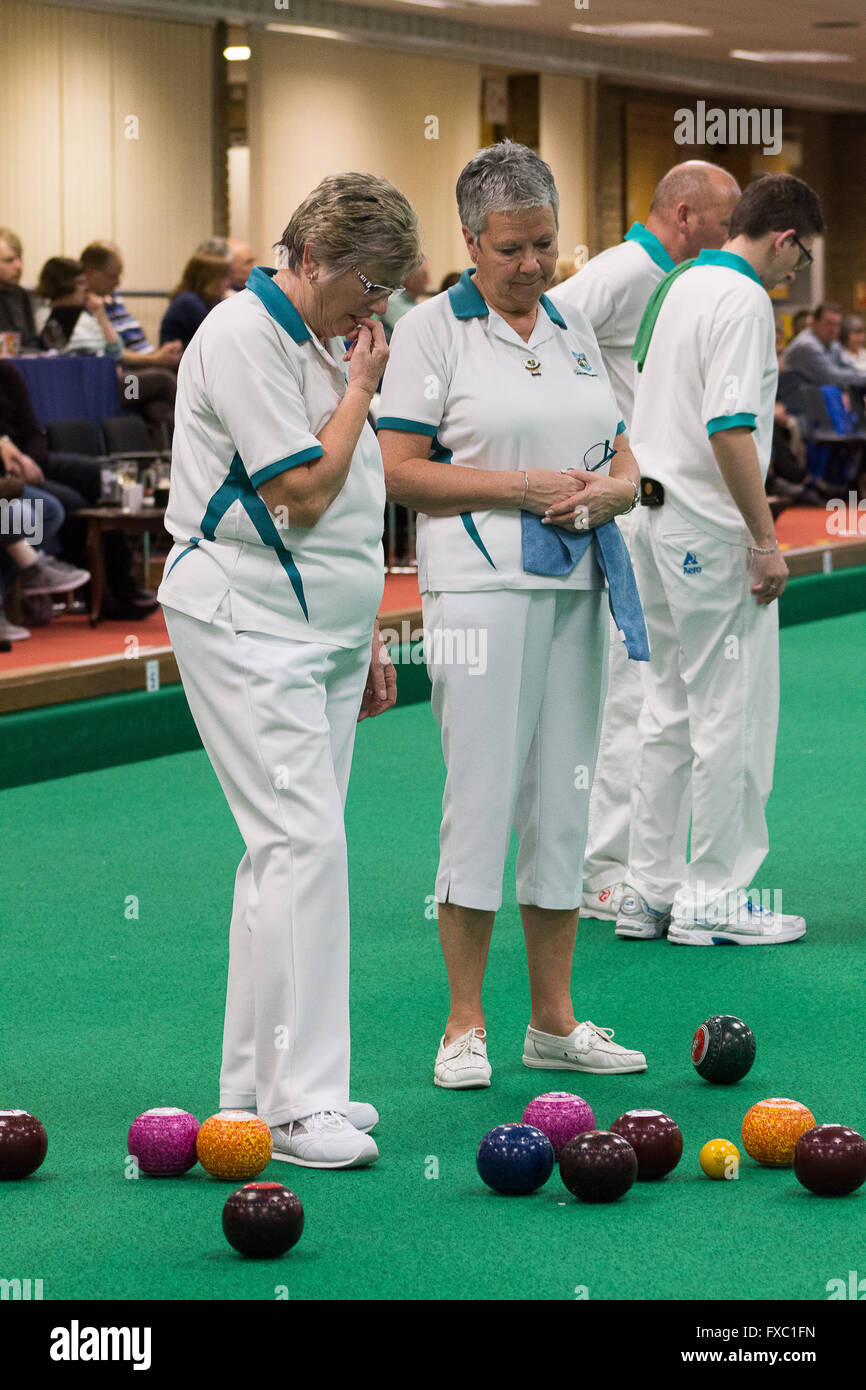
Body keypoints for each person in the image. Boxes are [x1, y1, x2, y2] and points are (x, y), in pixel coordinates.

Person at [157, 172, 422, 1168]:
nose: (376, 305)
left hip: (321, 629)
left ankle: (250, 1093)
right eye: (365, 281)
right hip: (243, 618)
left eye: (389, 286)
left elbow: (354, 504)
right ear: (308, 257)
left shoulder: (323, 332)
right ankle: (302, 1098)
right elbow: (304, 493)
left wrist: (367, 640)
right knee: (302, 845)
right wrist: (362, 388)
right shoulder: (241, 337)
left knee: (284, 854)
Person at [377, 141, 649, 1090]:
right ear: (469, 242)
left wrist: (619, 492)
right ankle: (462, 1025)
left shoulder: (572, 325)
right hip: (481, 594)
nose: (532, 265)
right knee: (482, 799)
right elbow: (399, 471)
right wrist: (525, 485)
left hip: (578, 586)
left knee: (565, 805)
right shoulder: (429, 333)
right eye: (511, 249)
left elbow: (620, 453)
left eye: (545, 245)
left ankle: (553, 1020)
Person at [615, 172, 825, 945]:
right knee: (728, 712)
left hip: (651, 518)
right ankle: (715, 899)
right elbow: (730, 428)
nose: (795, 273)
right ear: (784, 237)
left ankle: (648, 891)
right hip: (707, 529)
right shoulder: (741, 300)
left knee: (666, 710)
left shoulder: (677, 282)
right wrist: (764, 540)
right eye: (799, 258)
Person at [551, 160, 741, 922]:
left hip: (651, 503)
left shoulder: (675, 280)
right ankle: (604, 873)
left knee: (646, 693)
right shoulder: (626, 269)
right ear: (687, 214)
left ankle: (617, 866)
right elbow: (542, 323)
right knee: (634, 696)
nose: (731, 237)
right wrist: (598, 431)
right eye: (725, 221)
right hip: (626, 503)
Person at [79, 241, 181, 445]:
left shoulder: (112, 298)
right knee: (163, 380)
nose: (117, 282)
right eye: (112, 276)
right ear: (90, 272)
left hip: (138, 378)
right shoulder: (85, 306)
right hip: (121, 384)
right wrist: (157, 360)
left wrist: (159, 355)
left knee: (159, 409)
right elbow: (115, 353)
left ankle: (165, 464)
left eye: (119, 276)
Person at [779, 302, 866, 413]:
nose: (834, 329)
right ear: (814, 323)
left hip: (816, 401)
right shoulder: (806, 345)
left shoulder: (832, 343)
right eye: (829, 323)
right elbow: (832, 377)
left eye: (837, 324)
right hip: (795, 405)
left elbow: (849, 368)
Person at [35, 258, 123, 359]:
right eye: (81, 283)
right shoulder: (45, 318)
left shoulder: (87, 316)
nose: (86, 288)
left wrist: (100, 314)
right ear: (63, 285)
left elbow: (117, 353)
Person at [159, 253, 232, 349]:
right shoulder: (187, 301)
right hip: (177, 361)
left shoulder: (206, 299)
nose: (228, 283)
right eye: (223, 278)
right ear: (208, 279)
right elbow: (220, 333)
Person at [0, 228, 39, 349]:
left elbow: (30, 341)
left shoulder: (21, 294)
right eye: (9, 260)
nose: (19, 266)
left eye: (19, 258)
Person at [379, 258, 429, 341]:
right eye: (424, 276)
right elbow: (417, 332)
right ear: (409, 278)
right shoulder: (392, 301)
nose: (429, 281)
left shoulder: (413, 302)